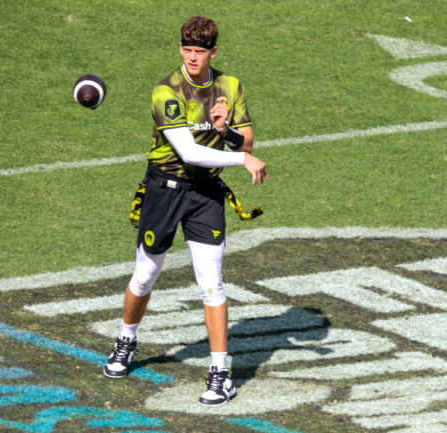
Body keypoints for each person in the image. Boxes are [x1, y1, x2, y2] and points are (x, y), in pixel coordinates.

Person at [103, 15, 268, 407]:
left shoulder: (229, 86)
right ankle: (126, 339)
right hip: (165, 188)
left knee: (212, 282)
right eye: (187, 50)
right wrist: (241, 162)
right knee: (145, 274)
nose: (193, 58)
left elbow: (245, 140)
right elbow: (188, 151)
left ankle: (220, 373)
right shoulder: (166, 91)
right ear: (180, 48)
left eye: (200, 51)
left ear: (213, 51)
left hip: (205, 192)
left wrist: (226, 130)